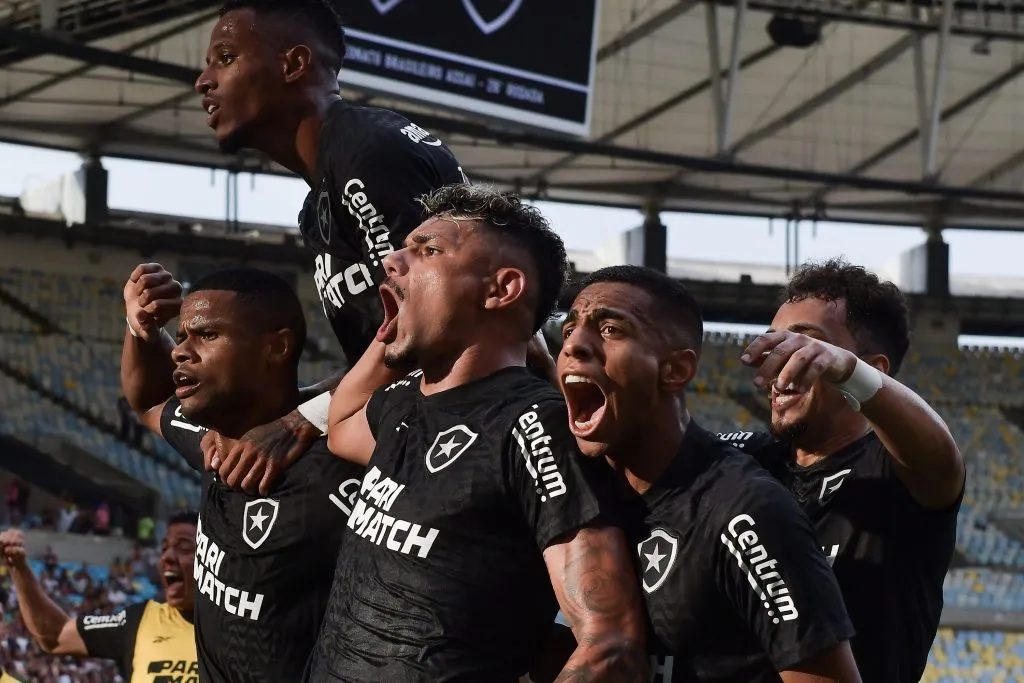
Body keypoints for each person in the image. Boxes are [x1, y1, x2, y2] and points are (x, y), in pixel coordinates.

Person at [319, 185, 647, 682]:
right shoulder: (404, 402)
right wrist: (392, 330)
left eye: (428, 250)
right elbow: (341, 425)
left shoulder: (535, 425)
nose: (392, 260)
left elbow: (611, 643)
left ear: (500, 289)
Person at [190, 0, 469, 487]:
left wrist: (302, 420)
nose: (204, 81)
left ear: (294, 65)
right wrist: (298, 406)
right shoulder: (326, 184)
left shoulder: (368, 154)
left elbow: (429, 330)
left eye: (226, 58)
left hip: (462, 438)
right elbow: (391, 349)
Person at [551, 265, 862, 683]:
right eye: (569, 329)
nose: (574, 345)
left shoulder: (745, 511)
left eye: (610, 329)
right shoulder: (567, 484)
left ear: (676, 370)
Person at [718, 259, 964, 683]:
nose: (781, 360)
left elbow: (940, 454)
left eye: (806, 345)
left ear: (874, 370)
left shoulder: (900, 474)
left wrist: (847, 369)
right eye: (776, 342)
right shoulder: (747, 464)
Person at [120, 265, 366, 683]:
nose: (180, 351)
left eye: (207, 335)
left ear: (277, 348)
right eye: (181, 337)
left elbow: (420, 375)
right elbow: (147, 401)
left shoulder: (345, 463)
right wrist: (140, 328)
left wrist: (312, 414)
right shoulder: (213, 442)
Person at [0, 514, 198, 683]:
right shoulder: (142, 621)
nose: (168, 557)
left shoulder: (227, 630)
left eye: (185, 547)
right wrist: (18, 567)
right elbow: (56, 635)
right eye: (164, 548)